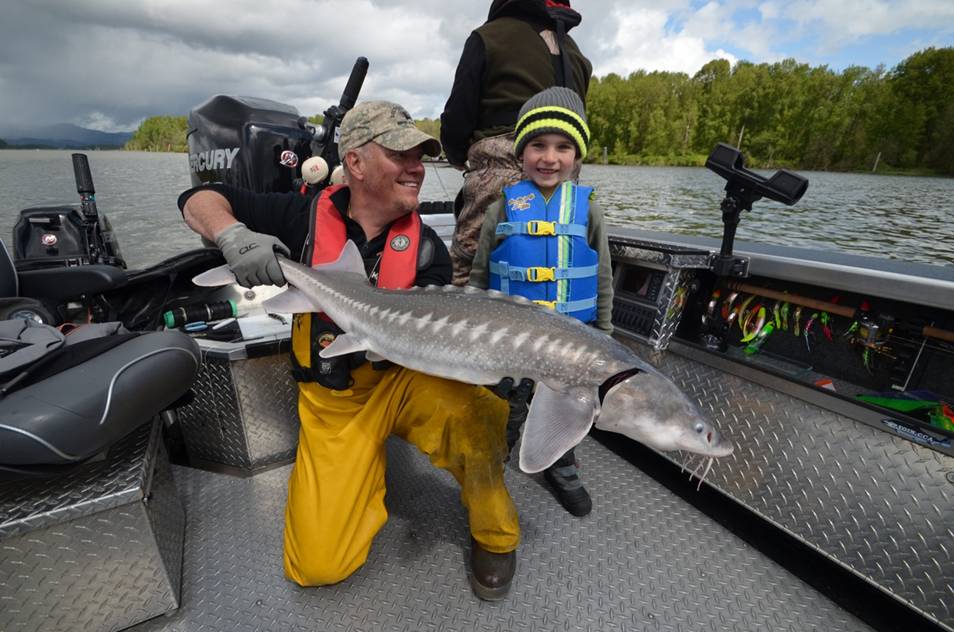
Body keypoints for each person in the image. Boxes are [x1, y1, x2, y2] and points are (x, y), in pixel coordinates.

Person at [178, 101, 521, 601]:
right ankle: (362, 478)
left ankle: (497, 536)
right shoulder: (299, 215)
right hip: (334, 400)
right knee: (316, 565)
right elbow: (196, 198)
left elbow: (437, 340)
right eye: (401, 154)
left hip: (403, 380)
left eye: (421, 156)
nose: (418, 167)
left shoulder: (427, 247)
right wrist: (233, 236)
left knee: (479, 414)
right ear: (355, 164)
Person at [468, 87, 614, 517]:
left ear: (576, 154)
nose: (549, 158)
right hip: (509, 341)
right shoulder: (501, 207)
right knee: (505, 404)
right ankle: (495, 460)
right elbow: (480, 273)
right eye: (538, 145)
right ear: (521, 152)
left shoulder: (589, 210)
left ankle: (561, 462)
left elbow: (602, 275)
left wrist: (603, 333)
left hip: (571, 342)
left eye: (563, 147)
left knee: (569, 404)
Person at [440, 0, 591, 288]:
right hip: (564, 179)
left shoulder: (488, 37)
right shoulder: (577, 54)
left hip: (500, 169)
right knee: (549, 269)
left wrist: (456, 153)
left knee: (468, 269)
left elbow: (458, 114)